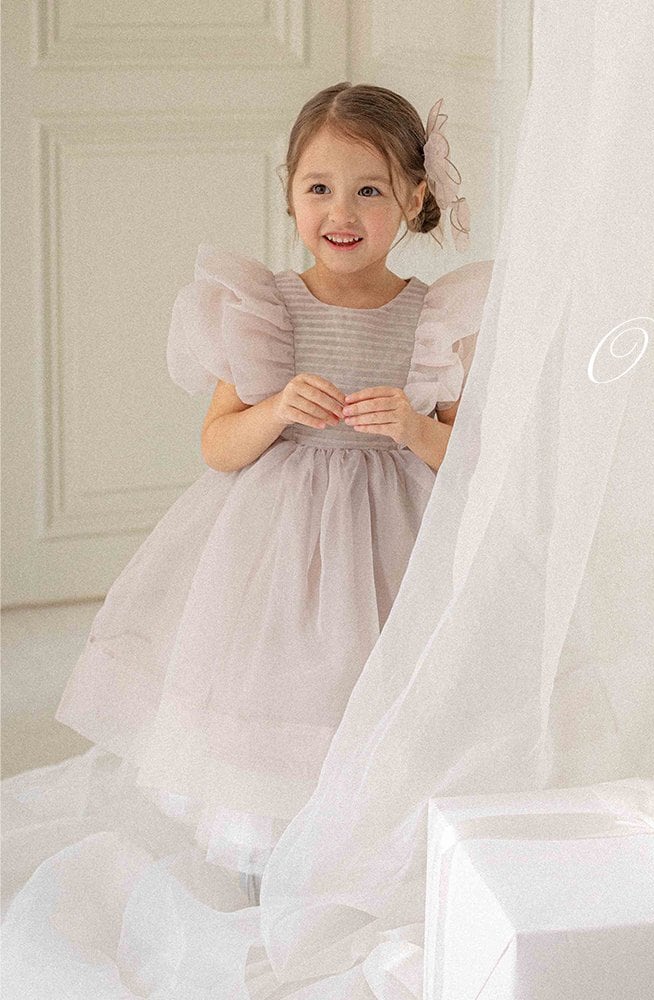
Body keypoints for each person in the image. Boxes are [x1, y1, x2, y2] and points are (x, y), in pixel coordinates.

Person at [47, 82, 493, 909]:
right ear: (290, 193)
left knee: (376, 694)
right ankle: (272, 860)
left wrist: (412, 427)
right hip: (279, 553)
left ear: (414, 198)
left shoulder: (434, 319)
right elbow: (218, 445)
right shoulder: (265, 311)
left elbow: (470, 458)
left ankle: (367, 855)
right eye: (319, 187)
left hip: (395, 547)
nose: (341, 212)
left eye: (369, 190)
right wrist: (277, 409)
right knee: (278, 692)